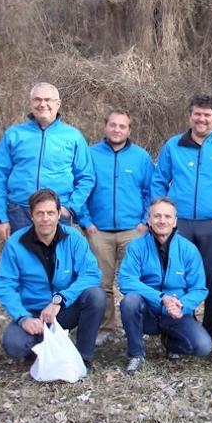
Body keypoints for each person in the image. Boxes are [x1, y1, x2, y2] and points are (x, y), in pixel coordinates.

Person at [151, 94, 212, 348]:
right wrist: (160, 215)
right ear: (190, 116)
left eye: (207, 115)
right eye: (197, 113)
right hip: (179, 223)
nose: (202, 119)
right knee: (178, 277)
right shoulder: (173, 146)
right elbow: (159, 180)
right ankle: (182, 328)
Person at [0, 189, 105, 369]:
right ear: (31, 215)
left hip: (63, 310)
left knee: (96, 296)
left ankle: (83, 356)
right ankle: (42, 348)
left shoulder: (74, 238)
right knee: (13, 346)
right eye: (40, 213)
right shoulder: (16, 243)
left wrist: (61, 299)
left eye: (51, 213)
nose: (46, 218)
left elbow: (91, 274)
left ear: (59, 213)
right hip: (33, 313)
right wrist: (23, 318)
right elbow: (4, 285)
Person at [77, 110, 154, 347]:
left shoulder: (141, 157)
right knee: (101, 283)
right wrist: (86, 222)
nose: (117, 130)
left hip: (134, 230)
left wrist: (145, 222)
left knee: (137, 282)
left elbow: (151, 191)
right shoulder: (89, 155)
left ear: (129, 130)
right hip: (98, 230)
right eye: (113, 125)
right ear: (105, 127)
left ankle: (139, 328)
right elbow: (81, 189)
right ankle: (105, 328)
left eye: (122, 126)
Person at [117, 197, 212, 373]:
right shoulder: (137, 247)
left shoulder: (188, 249)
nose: (162, 221)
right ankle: (136, 354)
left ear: (175, 221)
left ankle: (170, 342)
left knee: (203, 346)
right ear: (148, 219)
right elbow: (126, 280)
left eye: (167, 217)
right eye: (157, 216)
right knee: (129, 301)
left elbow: (199, 288)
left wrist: (181, 306)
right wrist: (161, 299)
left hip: (176, 312)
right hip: (148, 311)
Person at [0, 82, 95, 240]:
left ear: (58, 104)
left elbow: (86, 177)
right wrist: (1, 218)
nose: (42, 104)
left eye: (48, 100)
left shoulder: (73, 137)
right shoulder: (14, 135)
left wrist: (69, 208)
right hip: (19, 213)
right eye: (37, 99)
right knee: (22, 263)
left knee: (56, 263)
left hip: (57, 214)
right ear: (30, 103)